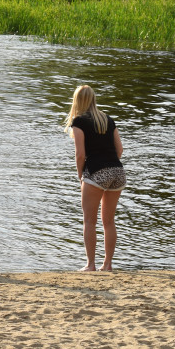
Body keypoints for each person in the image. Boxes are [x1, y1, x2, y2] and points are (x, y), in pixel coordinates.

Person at [64, 85, 125, 272]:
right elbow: (119, 150)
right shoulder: (107, 119)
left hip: (96, 173)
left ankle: (90, 264)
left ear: (77, 100)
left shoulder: (79, 122)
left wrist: (81, 175)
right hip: (117, 172)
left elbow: (80, 154)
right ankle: (107, 264)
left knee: (89, 221)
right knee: (109, 221)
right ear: (93, 99)